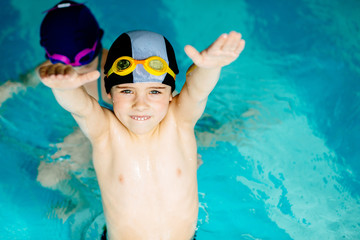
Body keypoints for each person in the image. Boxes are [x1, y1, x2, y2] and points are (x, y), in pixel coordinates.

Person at [39, 30, 245, 239]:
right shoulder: (106, 133)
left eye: (154, 91)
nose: (140, 105)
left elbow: (197, 90)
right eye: (127, 91)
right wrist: (64, 89)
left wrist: (210, 66)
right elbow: (80, 107)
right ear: (109, 93)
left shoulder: (179, 122)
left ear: (171, 94)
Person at [38, 0, 112, 109]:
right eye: (60, 61)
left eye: (85, 59)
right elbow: (19, 84)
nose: (73, 69)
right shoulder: (49, 70)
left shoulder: (116, 74)